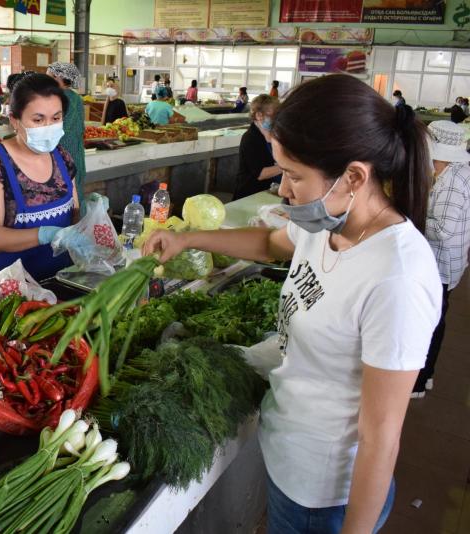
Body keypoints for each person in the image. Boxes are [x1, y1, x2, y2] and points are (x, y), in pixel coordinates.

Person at [144, 74, 441, 534]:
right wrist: (185, 239)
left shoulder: (396, 278)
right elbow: (268, 242)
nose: (283, 189)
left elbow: (380, 439)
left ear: (354, 176)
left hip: (324, 498)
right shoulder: (329, 223)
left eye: (295, 176)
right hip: (289, 461)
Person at [0, 73, 78, 281]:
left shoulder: (61, 156)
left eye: (56, 118)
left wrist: (91, 215)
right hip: (8, 289)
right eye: (38, 119)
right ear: (14, 121)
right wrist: (44, 234)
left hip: (60, 279)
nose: (49, 127)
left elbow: (74, 211)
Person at [412, 120, 470, 398]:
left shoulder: (451, 181)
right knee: (436, 318)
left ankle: (420, 381)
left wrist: (408, 220)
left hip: (441, 263)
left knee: (431, 322)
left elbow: (442, 231)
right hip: (449, 261)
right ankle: (428, 374)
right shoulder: (455, 171)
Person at [47, 62, 86, 213]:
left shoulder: (62, 99)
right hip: (73, 155)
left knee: (68, 201)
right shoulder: (74, 98)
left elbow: (59, 129)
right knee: (74, 197)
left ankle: (70, 232)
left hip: (65, 156)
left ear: (58, 78)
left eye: (49, 75)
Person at [233, 95, 282, 200]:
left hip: (269, 192)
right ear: (259, 115)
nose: (276, 119)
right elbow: (260, 174)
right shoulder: (250, 139)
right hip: (249, 194)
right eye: (274, 116)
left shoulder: (275, 135)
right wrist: (287, 166)